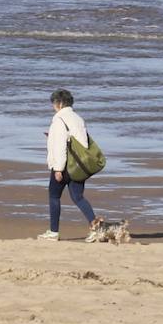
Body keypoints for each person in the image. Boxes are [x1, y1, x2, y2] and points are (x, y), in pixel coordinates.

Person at [37, 89, 103, 242]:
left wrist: (58, 169)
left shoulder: (59, 120)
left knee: (54, 196)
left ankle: (53, 232)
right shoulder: (78, 118)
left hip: (64, 165)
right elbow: (83, 142)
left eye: (54, 103)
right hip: (79, 165)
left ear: (59, 103)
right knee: (78, 197)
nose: (53, 106)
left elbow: (60, 146)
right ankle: (96, 228)